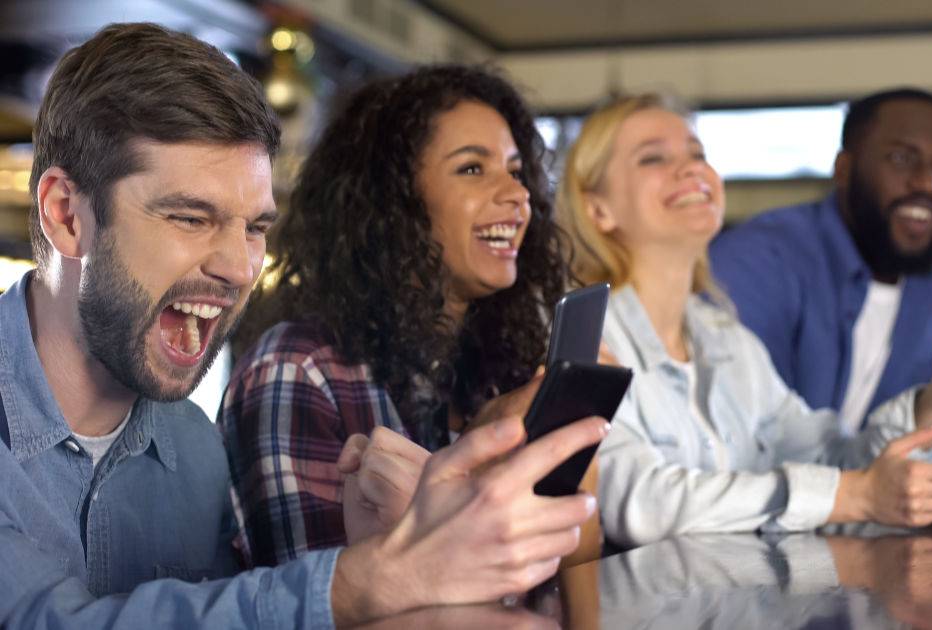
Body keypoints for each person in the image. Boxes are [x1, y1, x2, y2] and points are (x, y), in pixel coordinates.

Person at [1, 23, 602, 628]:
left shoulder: (193, 447)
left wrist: (369, 546)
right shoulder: (285, 377)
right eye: (190, 218)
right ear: (66, 216)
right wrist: (368, 579)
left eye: (255, 228)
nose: (239, 267)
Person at [556, 94, 932, 548]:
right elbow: (640, 503)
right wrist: (855, 495)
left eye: (698, 154)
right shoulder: (585, 338)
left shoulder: (727, 339)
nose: (691, 169)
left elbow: (831, 463)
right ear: (598, 210)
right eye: (653, 158)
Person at [220, 64, 602, 567]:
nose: (518, 195)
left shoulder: (495, 371)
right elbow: (319, 604)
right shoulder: (298, 370)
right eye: (472, 168)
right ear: (392, 198)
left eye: (515, 171)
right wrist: (476, 462)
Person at [709, 88, 932, 434]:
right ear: (844, 169)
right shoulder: (760, 259)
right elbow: (739, 435)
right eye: (901, 159)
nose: (929, 184)